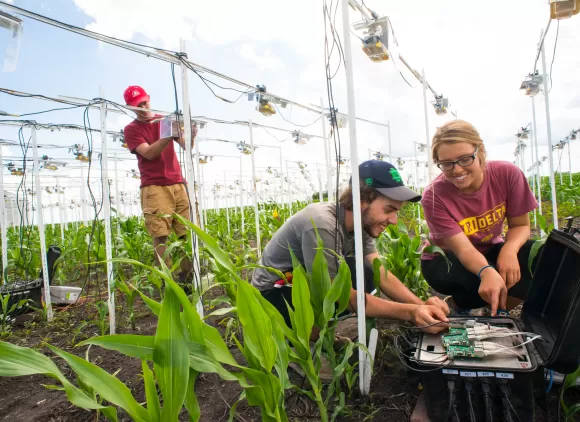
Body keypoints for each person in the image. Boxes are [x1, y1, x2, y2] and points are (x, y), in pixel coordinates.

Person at [251, 160, 450, 335]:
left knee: (367, 273)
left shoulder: (361, 224)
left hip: (302, 283)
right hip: (274, 293)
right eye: (388, 210)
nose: (393, 220)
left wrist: (422, 305)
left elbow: (383, 274)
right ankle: (302, 338)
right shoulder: (322, 224)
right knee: (342, 285)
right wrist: (411, 313)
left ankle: (317, 331)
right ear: (361, 201)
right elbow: (338, 295)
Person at [421, 120, 539, 317]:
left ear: (480, 152)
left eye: (465, 159)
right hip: (448, 260)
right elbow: (464, 249)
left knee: (538, 261)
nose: (457, 170)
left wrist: (509, 250)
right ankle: (459, 304)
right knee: (474, 278)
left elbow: (520, 225)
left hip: (491, 248)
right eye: (446, 164)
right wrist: (486, 271)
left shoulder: (507, 174)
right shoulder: (434, 196)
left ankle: (496, 312)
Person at [123, 85, 197, 279]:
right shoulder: (131, 129)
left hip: (178, 183)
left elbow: (185, 145)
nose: (143, 107)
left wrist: (192, 134)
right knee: (161, 235)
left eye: (145, 102)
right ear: (131, 107)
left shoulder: (164, 120)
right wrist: (168, 134)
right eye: (138, 105)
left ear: (149, 98)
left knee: (186, 233)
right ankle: (168, 280)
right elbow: (148, 153)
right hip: (154, 187)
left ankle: (188, 276)